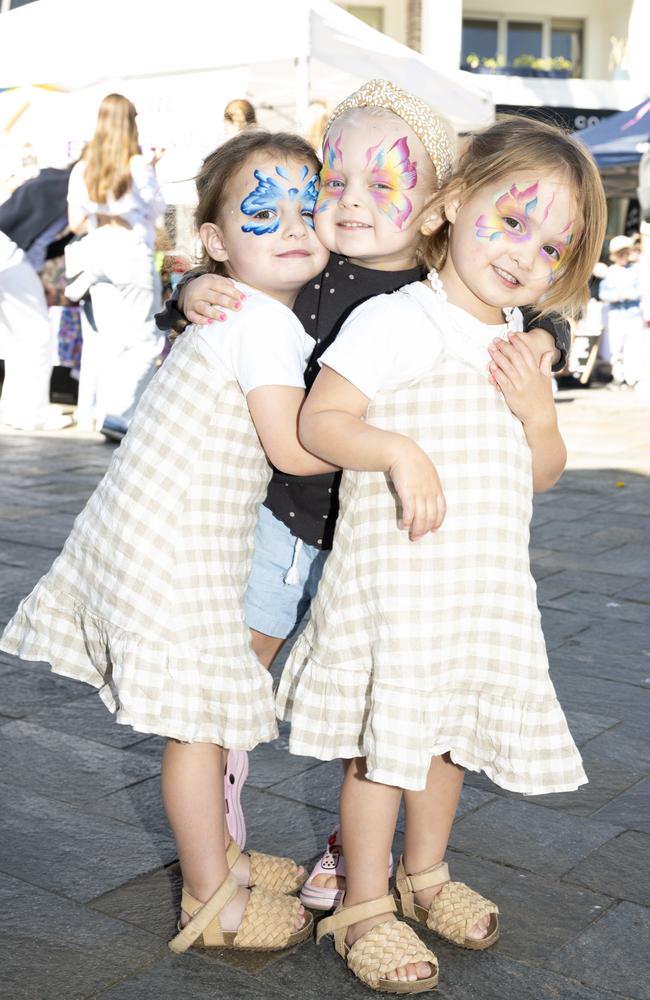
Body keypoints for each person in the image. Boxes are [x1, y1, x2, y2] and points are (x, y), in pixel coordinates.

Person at [159, 80, 574, 911]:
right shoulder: (308, 270)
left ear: (434, 207)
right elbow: (231, 283)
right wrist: (188, 293)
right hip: (289, 527)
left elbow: (518, 314)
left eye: (383, 185)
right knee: (228, 693)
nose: (348, 203)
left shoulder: (444, 290)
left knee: (390, 703)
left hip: (388, 547)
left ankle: (358, 861)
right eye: (333, 182)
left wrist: (544, 339)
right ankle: (219, 861)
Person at [273, 115, 606, 992]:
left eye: (550, 245)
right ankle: (365, 902)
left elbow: (540, 471)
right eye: (511, 221)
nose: (526, 253)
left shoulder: (513, 340)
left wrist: (539, 411)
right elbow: (323, 423)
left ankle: (426, 873)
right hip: (398, 581)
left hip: (480, 584)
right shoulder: (398, 319)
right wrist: (399, 451)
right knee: (387, 744)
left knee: (446, 738)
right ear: (451, 205)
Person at [0, 129, 338, 955]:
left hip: (151, 536)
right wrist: (390, 443)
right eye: (265, 213)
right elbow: (295, 449)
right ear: (216, 243)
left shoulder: (242, 310)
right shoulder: (263, 326)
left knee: (202, 722)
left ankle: (217, 853)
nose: (294, 224)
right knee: (198, 723)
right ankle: (210, 898)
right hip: (175, 550)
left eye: (309, 205)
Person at [66, 93, 166, 439]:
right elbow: (156, 212)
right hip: (129, 247)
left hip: (96, 247)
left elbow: (75, 222)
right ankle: (119, 414)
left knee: (111, 340)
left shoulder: (83, 167)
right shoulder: (136, 164)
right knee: (146, 339)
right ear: (130, 122)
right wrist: (151, 170)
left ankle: (106, 414)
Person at [0, 164, 74, 430]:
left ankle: (15, 411)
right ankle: (30, 414)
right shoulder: (58, 183)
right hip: (9, 253)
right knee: (36, 335)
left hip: (15, 257)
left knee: (21, 339)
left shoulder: (56, 183)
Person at [598, 234, 644, 387]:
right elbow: (603, 294)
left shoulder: (635, 270)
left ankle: (632, 377)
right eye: (620, 253)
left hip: (633, 314)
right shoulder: (610, 272)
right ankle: (618, 376)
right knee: (615, 347)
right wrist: (615, 296)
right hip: (616, 315)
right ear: (614, 256)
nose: (624, 256)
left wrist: (625, 295)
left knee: (633, 347)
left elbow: (640, 291)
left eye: (626, 252)